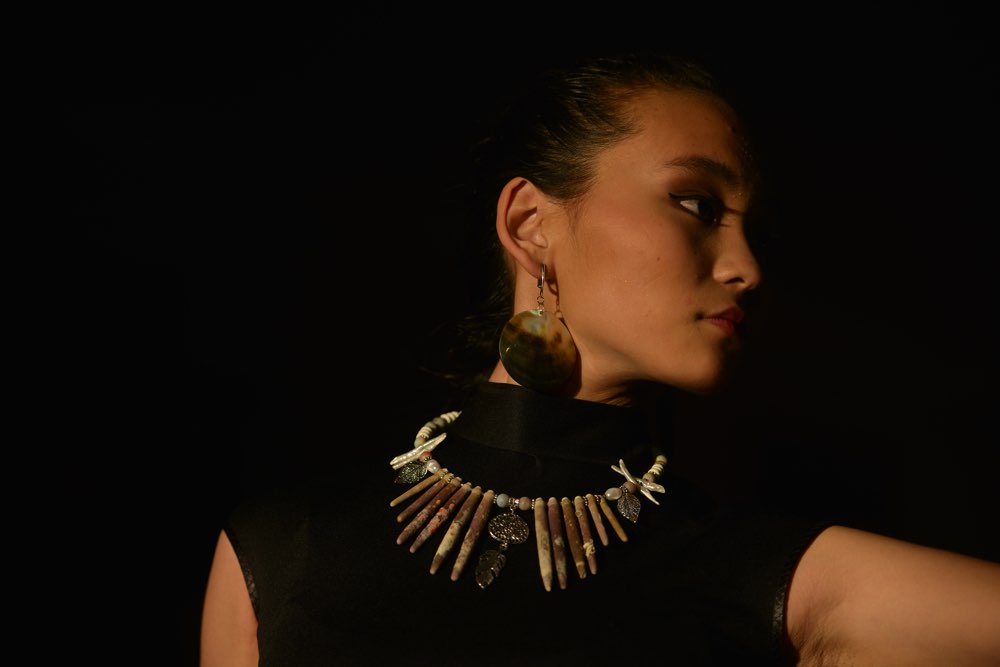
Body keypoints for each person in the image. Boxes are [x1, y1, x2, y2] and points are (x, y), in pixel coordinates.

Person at [199, 50, 1000, 666]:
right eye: (697, 204)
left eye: (753, 229)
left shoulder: (767, 575)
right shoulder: (279, 551)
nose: (747, 267)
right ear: (531, 224)